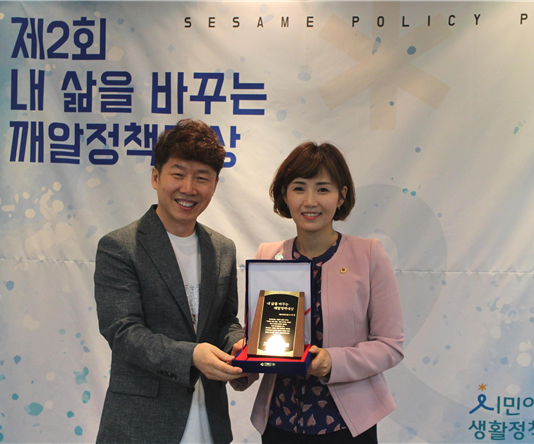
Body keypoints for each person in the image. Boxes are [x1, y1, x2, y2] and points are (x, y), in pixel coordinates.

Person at [94, 119, 246, 444]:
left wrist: (239, 345)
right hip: (141, 425)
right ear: (155, 177)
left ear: (215, 185)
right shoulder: (120, 246)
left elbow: (225, 321)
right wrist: (191, 356)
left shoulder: (223, 249)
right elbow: (123, 331)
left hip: (210, 421)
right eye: (178, 174)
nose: (189, 188)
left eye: (202, 178)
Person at [250, 142, 404, 443]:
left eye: (323, 189)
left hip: (347, 425)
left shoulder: (369, 255)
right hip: (280, 422)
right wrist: (242, 360)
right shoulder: (268, 256)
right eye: (299, 188)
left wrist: (333, 362)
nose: (310, 201)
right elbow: (258, 338)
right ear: (285, 195)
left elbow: (391, 345)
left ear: (341, 195)